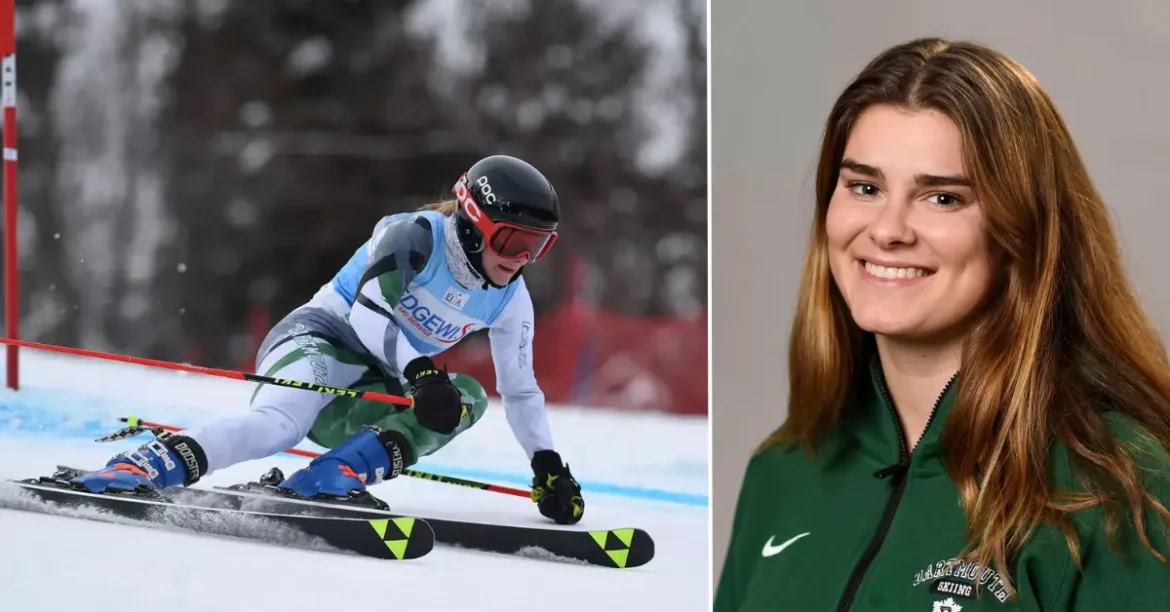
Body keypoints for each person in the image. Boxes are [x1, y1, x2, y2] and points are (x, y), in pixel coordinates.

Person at [714, 38, 1170, 611]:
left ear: (1021, 229)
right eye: (864, 187)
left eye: (943, 198)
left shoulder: (1120, 490)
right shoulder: (782, 474)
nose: (889, 229)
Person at [67, 154, 585, 525]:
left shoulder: (511, 299)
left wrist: (547, 464)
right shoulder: (413, 236)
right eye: (513, 240)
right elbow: (369, 313)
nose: (521, 259)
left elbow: (519, 390)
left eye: (538, 247)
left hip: (371, 385)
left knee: (467, 397)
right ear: (474, 222)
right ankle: (140, 466)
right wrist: (422, 373)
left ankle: (333, 474)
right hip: (317, 341)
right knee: (277, 427)